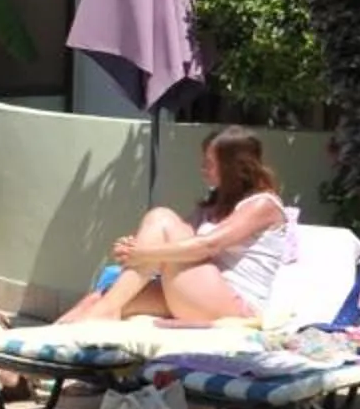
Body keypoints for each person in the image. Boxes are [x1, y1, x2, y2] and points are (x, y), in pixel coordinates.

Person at [58, 125, 294, 323]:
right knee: (102, 298)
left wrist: (143, 252)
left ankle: (104, 313)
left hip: (236, 305)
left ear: (233, 167)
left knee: (162, 217)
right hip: (198, 291)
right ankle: (39, 350)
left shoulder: (263, 205)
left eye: (209, 163)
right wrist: (138, 248)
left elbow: (208, 246)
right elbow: (174, 244)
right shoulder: (212, 207)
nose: (202, 169)